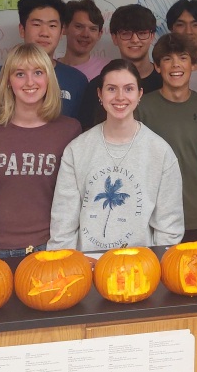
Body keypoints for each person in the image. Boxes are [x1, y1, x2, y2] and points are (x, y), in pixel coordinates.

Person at [50, 59, 184, 251]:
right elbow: (63, 225)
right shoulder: (77, 149)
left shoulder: (160, 152)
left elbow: (169, 228)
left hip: (140, 270)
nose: (120, 97)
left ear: (140, 94)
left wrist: (154, 267)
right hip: (87, 267)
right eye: (111, 89)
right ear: (100, 94)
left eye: (129, 89)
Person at [0, 43, 82, 260]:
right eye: (20, 74)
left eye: (38, 73)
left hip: (47, 247)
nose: (30, 82)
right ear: (7, 82)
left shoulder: (70, 130)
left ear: (49, 79)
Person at [137, 34, 197, 242]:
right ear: (157, 67)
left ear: (192, 64)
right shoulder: (141, 106)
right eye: (167, 59)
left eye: (183, 58)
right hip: (153, 216)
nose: (176, 65)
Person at [0, 0, 88, 118]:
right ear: (22, 30)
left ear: (61, 32)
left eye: (52, 26)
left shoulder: (77, 80)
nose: (44, 33)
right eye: (37, 24)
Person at [76, 4, 163, 130]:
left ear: (152, 36)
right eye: (126, 34)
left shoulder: (164, 83)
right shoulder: (98, 85)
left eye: (142, 33)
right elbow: (86, 133)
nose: (134, 40)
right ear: (114, 38)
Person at [166, 0, 197, 95]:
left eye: (195, 25)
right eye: (180, 25)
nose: (188, 31)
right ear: (171, 29)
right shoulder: (163, 71)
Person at [58, 0, 111, 81]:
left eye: (93, 29)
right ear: (64, 28)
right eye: (79, 27)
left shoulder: (108, 70)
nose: (85, 34)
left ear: (99, 34)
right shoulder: (48, 69)